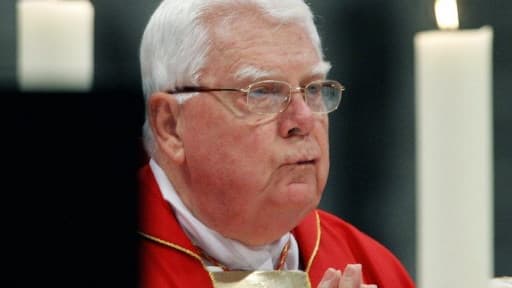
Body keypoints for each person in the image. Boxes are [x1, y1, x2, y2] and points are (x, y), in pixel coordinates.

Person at [137, 0, 416, 287]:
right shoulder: (104, 265)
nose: (304, 119)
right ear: (171, 126)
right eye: (263, 92)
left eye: (314, 88)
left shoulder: (370, 267)